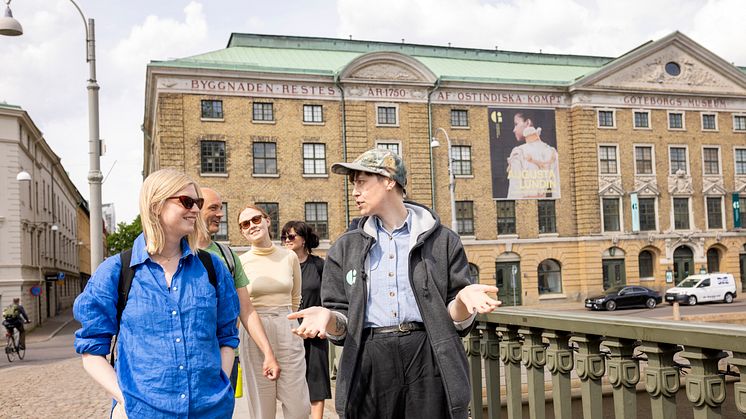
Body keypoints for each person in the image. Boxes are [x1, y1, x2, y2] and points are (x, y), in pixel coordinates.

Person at [288, 148, 501, 419]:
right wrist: (328, 317)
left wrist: (462, 301)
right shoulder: (345, 247)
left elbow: (455, 319)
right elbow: (341, 326)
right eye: (354, 184)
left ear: (389, 181)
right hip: (369, 357)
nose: (355, 192)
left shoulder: (443, 241)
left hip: (428, 356)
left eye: (362, 182)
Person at [73, 169, 240, 418]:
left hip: (210, 411)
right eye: (186, 201)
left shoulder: (211, 268)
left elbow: (227, 336)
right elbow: (91, 349)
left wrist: (221, 387)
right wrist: (127, 401)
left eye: (199, 203)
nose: (195, 210)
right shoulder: (117, 271)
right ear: (155, 205)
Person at [196, 187, 281, 389]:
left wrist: (268, 353)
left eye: (221, 208)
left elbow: (246, 309)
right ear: (196, 209)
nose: (220, 214)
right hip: (194, 357)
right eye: (214, 208)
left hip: (226, 357)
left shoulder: (228, 256)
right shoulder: (176, 252)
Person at [237, 205, 310, 419]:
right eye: (245, 224)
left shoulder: (289, 257)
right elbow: (241, 304)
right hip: (254, 332)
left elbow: (296, 297)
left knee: (299, 406)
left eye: (256, 219)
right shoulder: (240, 262)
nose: (252, 225)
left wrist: (287, 323)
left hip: (286, 326)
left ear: (268, 221)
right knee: (262, 407)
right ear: (242, 232)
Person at [281, 220, 331, 419]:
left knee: (316, 379)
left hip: (315, 330)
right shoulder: (281, 266)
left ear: (303, 240)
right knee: (292, 381)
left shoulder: (319, 265)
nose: (286, 240)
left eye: (291, 236)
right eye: (284, 236)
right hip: (290, 331)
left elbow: (329, 296)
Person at [506, 112, 560, 199]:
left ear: (527, 123)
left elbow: (514, 192)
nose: (514, 129)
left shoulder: (518, 153)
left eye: (516, 124)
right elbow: (557, 192)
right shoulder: (552, 152)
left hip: (526, 208)